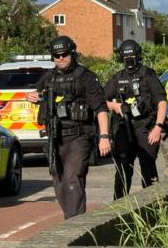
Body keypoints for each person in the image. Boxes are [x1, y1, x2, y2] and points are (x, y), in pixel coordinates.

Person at [26, 35, 111, 219]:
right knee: (59, 181)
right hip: (55, 137)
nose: (61, 58)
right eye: (56, 56)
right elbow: (37, 93)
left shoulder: (85, 77)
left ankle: (74, 223)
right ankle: (71, 218)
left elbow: (101, 108)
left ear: (72, 53)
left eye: (64, 54)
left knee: (72, 180)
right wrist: (31, 96)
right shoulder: (49, 77)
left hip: (79, 138)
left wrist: (104, 137)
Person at [104, 39, 167, 199]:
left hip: (146, 128)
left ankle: (154, 208)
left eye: (132, 55)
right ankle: (119, 211)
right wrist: (115, 106)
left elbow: (161, 101)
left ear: (138, 55)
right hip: (124, 128)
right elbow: (100, 100)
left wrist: (158, 127)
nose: (129, 59)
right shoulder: (118, 77)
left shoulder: (147, 74)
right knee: (123, 172)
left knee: (148, 170)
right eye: (126, 56)